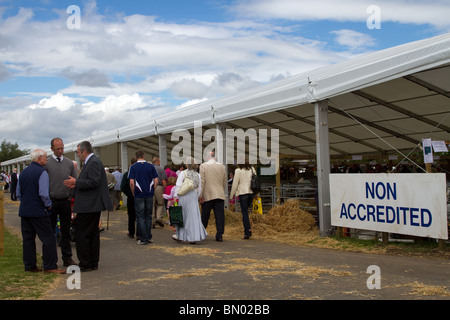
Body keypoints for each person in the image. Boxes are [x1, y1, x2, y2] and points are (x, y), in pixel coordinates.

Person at [63, 141, 112, 272]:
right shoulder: (92, 162)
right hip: (91, 204)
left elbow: (93, 182)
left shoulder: (93, 162)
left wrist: (76, 182)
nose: (78, 155)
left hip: (90, 204)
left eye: (78, 153)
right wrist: (76, 184)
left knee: (83, 234)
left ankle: (85, 262)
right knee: (92, 234)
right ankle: (92, 262)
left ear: (84, 151)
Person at [16, 149, 65, 274]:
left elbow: (18, 193)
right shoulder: (42, 172)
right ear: (39, 158)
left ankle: (30, 265)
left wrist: (27, 202)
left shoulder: (23, 172)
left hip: (25, 210)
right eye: (45, 157)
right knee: (48, 238)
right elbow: (43, 193)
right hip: (39, 211)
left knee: (28, 239)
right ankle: (50, 265)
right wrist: (48, 205)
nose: (47, 159)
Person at [45, 137, 77, 266]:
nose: (60, 151)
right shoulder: (47, 164)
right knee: (50, 231)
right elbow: (43, 183)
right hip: (52, 201)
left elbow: (75, 180)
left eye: (62, 148)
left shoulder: (69, 163)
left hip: (65, 201)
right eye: (58, 149)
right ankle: (50, 259)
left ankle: (67, 258)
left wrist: (70, 196)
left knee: (66, 231)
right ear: (52, 149)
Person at [173, 157, 207, 244]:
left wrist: (175, 196)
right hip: (193, 196)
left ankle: (180, 235)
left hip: (184, 196)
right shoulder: (198, 175)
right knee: (193, 216)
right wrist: (198, 196)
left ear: (187, 164)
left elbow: (178, 185)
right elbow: (199, 188)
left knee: (183, 215)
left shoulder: (183, 173)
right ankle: (193, 237)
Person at [128, 150, 159, 245]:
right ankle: (149, 236)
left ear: (136, 157)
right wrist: (153, 190)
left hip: (139, 194)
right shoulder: (151, 166)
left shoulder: (133, 167)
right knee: (148, 215)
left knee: (140, 216)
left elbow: (132, 182)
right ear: (144, 156)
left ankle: (143, 237)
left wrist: (133, 192)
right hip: (149, 194)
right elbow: (156, 180)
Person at [199, 151, 227, 242]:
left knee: (205, 215)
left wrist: (201, 195)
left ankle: (201, 233)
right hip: (219, 193)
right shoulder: (222, 167)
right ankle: (219, 234)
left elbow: (202, 182)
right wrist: (221, 190)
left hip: (208, 193)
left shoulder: (203, 166)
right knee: (219, 215)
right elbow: (224, 181)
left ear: (207, 157)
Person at [229, 161, 255, 239]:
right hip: (251, 192)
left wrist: (231, 195)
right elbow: (255, 180)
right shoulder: (252, 169)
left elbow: (235, 183)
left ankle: (247, 231)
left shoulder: (238, 170)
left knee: (244, 213)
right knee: (246, 212)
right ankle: (248, 229)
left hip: (243, 193)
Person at [120, 157, 137, 238]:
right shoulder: (139, 173)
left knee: (131, 215)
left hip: (131, 197)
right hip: (140, 196)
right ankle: (140, 233)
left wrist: (129, 193)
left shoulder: (126, 174)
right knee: (140, 215)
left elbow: (122, 187)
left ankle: (131, 232)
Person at [152, 157, 167, 228]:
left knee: (152, 204)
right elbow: (164, 181)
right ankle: (159, 219)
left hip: (150, 187)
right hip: (159, 187)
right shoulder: (161, 169)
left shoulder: (149, 168)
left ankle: (152, 221)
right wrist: (165, 189)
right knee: (160, 204)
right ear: (157, 161)